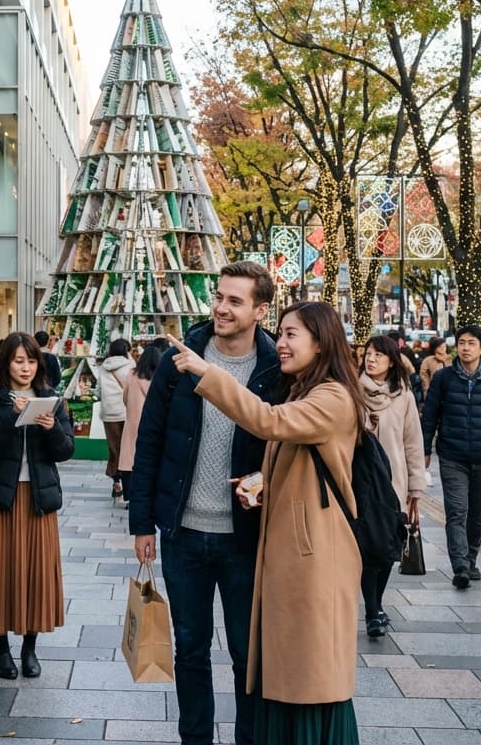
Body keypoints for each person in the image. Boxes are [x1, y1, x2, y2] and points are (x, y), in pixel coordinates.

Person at [166, 301, 364, 744]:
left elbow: (268, 422)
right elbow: (301, 460)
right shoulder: (306, 392)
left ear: (321, 340)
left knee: (310, 676)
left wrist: (207, 373)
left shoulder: (332, 396)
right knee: (289, 672)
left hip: (315, 559)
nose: (282, 343)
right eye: (282, 333)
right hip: (294, 554)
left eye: (292, 334)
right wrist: (262, 483)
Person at [130, 261, 280, 745]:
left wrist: (262, 482)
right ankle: (195, 739)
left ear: (260, 309)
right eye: (219, 297)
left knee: (245, 652)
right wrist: (142, 523)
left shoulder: (275, 368)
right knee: (190, 649)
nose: (221, 307)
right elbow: (150, 441)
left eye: (235, 301)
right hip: (184, 535)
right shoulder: (182, 359)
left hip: (246, 537)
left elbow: (286, 445)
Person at [0, 332, 75, 679]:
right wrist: (11, 420)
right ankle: (1, 650)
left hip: (39, 501)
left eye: (30, 361)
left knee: (37, 574)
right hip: (2, 500)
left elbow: (65, 451)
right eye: (18, 360)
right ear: (5, 363)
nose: (25, 367)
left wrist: (52, 428)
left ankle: (30, 649)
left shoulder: (53, 401)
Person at [421, 325, 481, 589]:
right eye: (461, 343)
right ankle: (460, 566)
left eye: (471, 343)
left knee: (477, 512)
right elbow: (430, 415)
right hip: (451, 455)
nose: (466, 348)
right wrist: (424, 449)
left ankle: (471, 559)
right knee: (456, 511)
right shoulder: (444, 378)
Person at [360, 334, 426, 637]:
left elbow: (412, 443)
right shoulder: (352, 391)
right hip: (361, 482)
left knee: (388, 549)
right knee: (368, 548)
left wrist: (416, 489)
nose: (371, 359)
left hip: (394, 484)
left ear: (391, 361)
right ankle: (372, 610)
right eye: (368, 354)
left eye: (378, 355)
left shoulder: (404, 396)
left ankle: (377, 603)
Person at [118, 343, 161, 505]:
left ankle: (130, 496)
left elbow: (125, 397)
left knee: (129, 459)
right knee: (151, 459)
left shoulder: (132, 374)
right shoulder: (159, 376)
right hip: (154, 423)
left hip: (133, 421)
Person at [99, 338, 135, 500]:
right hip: (126, 412)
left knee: (114, 448)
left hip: (109, 413)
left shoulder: (103, 367)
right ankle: (127, 484)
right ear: (125, 350)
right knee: (127, 449)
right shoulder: (130, 366)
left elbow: (99, 389)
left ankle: (116, 482)